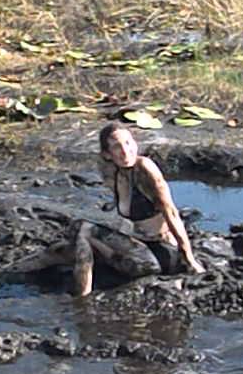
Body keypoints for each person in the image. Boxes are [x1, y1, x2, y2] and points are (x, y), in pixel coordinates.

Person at [12, 123, 205, 296]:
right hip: (137, 245)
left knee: (84, 231)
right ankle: (15, 273)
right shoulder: (111, 172)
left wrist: (188, 257)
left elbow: (170, 212)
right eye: (117, 147)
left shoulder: (144, 168)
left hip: (159, 251)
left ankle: (81, 296)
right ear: (107, 154)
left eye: (129, 143)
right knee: (65, 250)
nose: (125, 152)